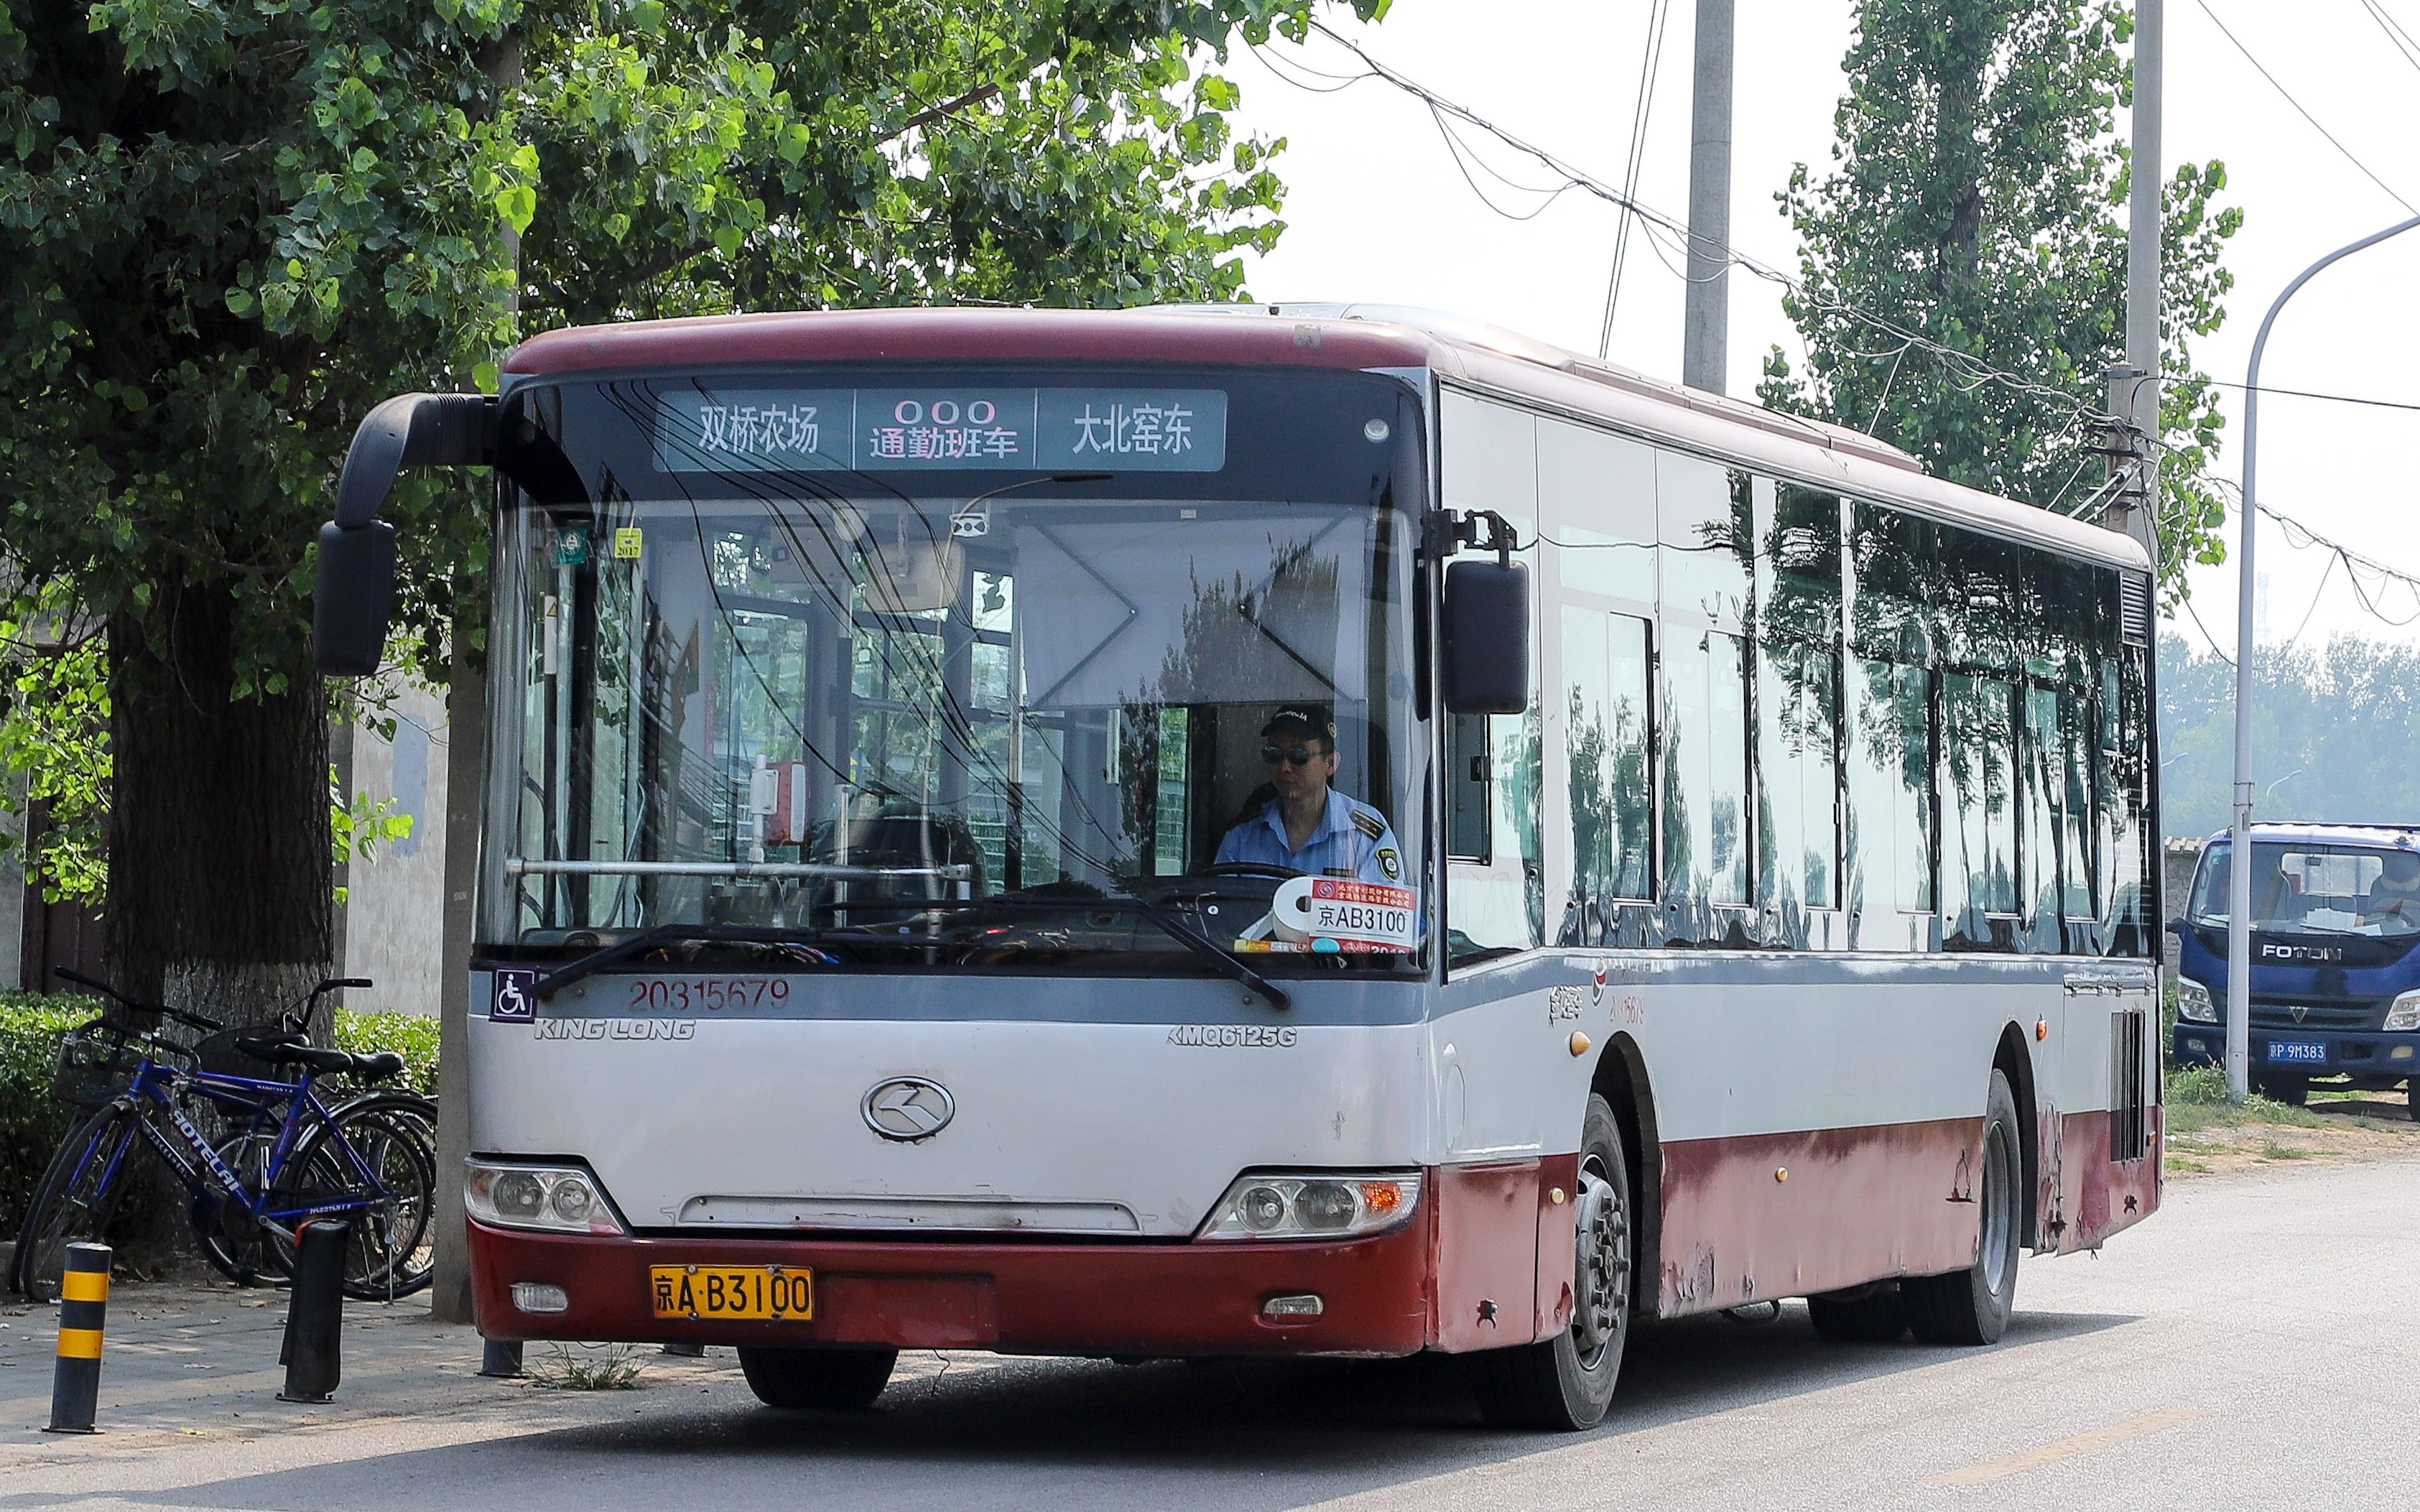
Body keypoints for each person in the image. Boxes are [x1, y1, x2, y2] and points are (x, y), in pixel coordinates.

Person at [1214, 705, 1405, 886]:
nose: (1285, 767)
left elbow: (1386, 914)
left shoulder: (1366, 836)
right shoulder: (1241, 837)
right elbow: (1221, 912)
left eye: (1299, 755)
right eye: (1274, 754)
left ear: (1330, 763)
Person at [2363, 847, 2420, 927]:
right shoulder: (2378, 885)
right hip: (2378, 934)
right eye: (2393, 882)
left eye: (2404, 884)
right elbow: (2370, 914)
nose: (2399, 887)